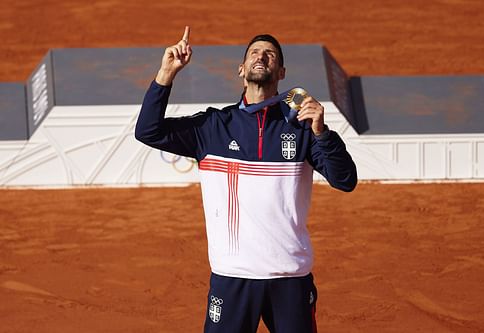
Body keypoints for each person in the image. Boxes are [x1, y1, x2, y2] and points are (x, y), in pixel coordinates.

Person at [135, 26, 357, 333]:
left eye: (269, 54)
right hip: (232, 277)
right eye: (254, 52)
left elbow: (345, 179)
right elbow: (148, 131)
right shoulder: (213, 127)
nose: (261, 56)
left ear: (281, 72)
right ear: (241, 69)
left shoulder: (302, 129)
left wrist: (322, 132)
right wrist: (165, 74)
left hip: (289, 276)